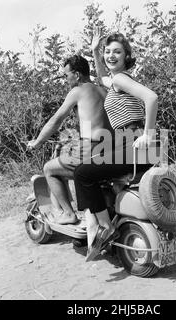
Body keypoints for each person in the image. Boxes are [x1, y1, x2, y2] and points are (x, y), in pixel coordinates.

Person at [73, 28, 158, 261]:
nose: (111, 55)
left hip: (135, 142)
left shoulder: (120, 79)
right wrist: (94, 50)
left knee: (82, 174)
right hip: (128, 143)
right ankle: (98, 223)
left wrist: (148, 134)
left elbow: (151, 98)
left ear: (126, 56)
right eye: (108, 52)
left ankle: (101, 226)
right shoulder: (115, 81)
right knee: (91, 171)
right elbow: (101, 78)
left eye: (117, 52)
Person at [27, 54, 113, 224]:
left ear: (77, 74)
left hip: (92, 150)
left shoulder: (78, 91)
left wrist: (37, 142)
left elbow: (56, 120)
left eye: (66, 75)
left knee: (49, 169)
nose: (65, 79)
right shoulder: (104, 90)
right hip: (112, 149)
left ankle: (67, 213)